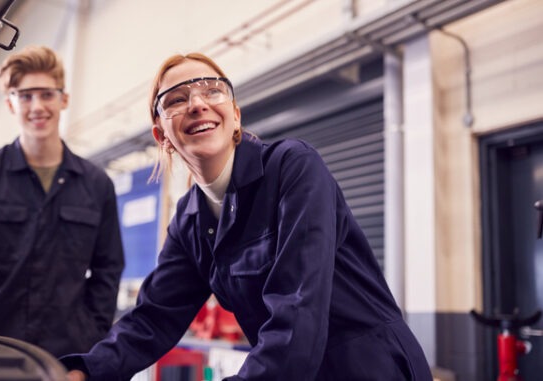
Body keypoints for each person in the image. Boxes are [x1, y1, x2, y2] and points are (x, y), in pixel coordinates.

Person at [61, 52, 432, 380]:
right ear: (163, 136)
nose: (197, 104)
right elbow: (153, 318)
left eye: (212, 91)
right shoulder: (189, 220)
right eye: (176, 99)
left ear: (235, 116)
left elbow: (298, 307)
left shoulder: (292, 167)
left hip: (371, 366)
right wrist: (86, 370)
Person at [0, 45, 125, 358]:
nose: (37, 106)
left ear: (64, 99)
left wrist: (93, 333)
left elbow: (108, 269)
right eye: (25, 96)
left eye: (47, 94)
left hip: (65, 358)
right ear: (10, 103)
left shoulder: (96, 184)